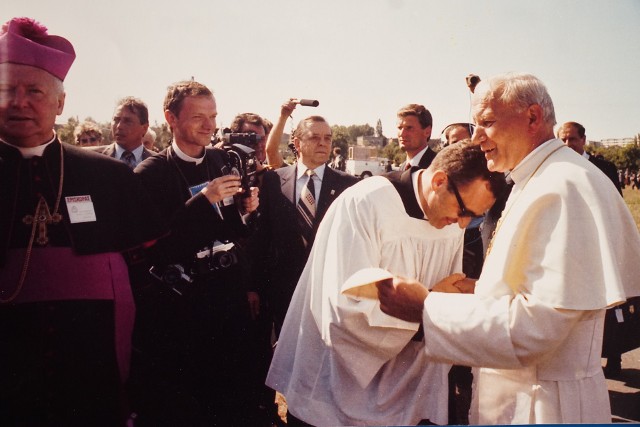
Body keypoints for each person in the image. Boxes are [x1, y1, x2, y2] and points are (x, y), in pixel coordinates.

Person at [377, 72, 640, 424]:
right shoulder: (538, 177)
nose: (476, 138)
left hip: (544, 406)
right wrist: (484, 292)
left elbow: (537, 328)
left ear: (532, 117)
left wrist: (426, 309)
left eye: (486, 122)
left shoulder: (564, 186)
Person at [266, 141, 506, 426]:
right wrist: (430, 307)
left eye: (474, 216)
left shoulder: (449, 219)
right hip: (338, 395)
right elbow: (343, 309)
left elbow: (445, 291)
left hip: (412, 393)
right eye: (464, 210)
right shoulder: (365, 203)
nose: (463, 224)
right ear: (439, 180)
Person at [0, 17, 163, 426]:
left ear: (60, 103)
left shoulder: (107, 175)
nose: (18, 102)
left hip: (93, 368)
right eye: (6, 91)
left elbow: (146, 276)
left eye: (34, 91)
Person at [131, 80, 260, 426]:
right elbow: (155, 248)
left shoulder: (222, 160)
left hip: (228, 304)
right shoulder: (151, 173)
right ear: (170, 118)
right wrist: (204, 202)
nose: (209, 126)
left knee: (234, 403)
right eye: (198, 117)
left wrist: (246, 210)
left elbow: (233, 231)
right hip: (183, 312)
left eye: (213, 116)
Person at [557, 121, 627, 377]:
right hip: (571, 246)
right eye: (562, 140)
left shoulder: (604, 167)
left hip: (599, 244)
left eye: (572, 140)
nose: (567, 145)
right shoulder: (557, 168)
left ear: (583, 140)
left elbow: (616, 206)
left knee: (607, 303)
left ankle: (615, 355)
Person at [91, 97, 155, 168]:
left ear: (144, 128)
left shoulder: (159, 163)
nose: (119, 126)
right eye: (116, 120)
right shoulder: (93, 158)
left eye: (127, 121)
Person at [396, 103, 437, 170]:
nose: (402, 134)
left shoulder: (438, 166)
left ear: (427, 132)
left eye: (409, 128)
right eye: (400, 128)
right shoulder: (402, 168)